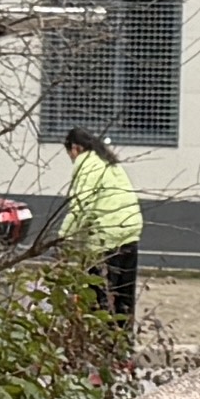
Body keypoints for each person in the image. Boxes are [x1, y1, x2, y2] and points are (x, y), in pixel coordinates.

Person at [56, 126, 144, 338]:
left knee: (99, 300)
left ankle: (100, 344)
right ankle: (123, 345)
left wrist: (62, 239)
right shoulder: (110, 163)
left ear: (75, 148)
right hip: (129, 234)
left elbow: (81, 207)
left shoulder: (88, 165)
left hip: (105, 240)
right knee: (123, 298)